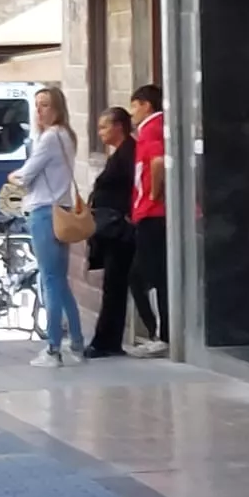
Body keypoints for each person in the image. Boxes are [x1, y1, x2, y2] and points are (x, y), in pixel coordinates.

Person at [11, 85, 85, 368]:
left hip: (44, 211)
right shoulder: (67, 135)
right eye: (37, 105)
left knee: (50, 280)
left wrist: (15, 175)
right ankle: (76, 341)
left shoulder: (50, 137)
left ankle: (53, 347)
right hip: (62, 210)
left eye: (45, 105)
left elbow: (27, 175)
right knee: (60, 279)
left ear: (57, 108)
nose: (39, 111)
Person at [85, 106, 137, 360]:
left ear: (119, 126)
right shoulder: (119, 154)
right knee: (112, 285)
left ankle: (106, 340)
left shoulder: (129, 153)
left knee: (115, 286)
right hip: (111, 229)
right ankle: (106, 340)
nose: (101, 132)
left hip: (120, 230)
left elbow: (135, 188)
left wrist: (129, 215)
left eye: (105, 126)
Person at [128, 83, 169, 356]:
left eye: (134, 106)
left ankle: (161, 332)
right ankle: (160, 331)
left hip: (152, 214)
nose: (132, 113)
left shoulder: (151, 128)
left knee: (148, 275)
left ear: (145, 105)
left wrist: (153, 195)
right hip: (152, 213)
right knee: (152, 275)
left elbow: (157, 162)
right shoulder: (156, 126)